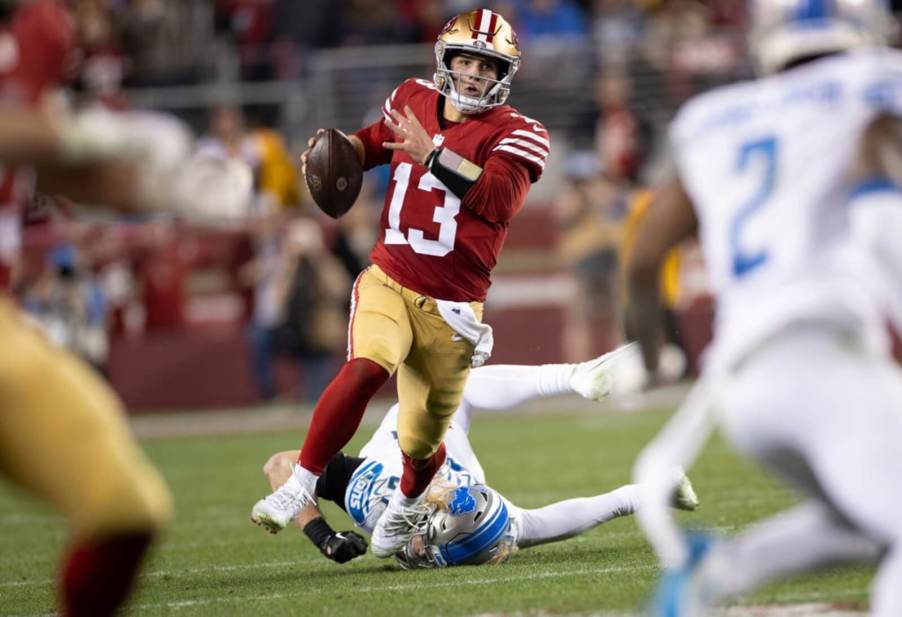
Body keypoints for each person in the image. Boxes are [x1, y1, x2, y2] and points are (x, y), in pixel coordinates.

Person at [625, 1, 902, 615]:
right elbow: (881, 177)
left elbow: (644, 259)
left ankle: (713, 576)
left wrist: (652, 360)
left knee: (861, 516)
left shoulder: (715, 118)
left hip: (743, 390)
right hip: (824, 359)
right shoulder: (876, 83)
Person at [252, 8, 553, 559]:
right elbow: (368, 146)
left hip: (453, 309)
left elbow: (498, 199)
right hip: (390, 277)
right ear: (446, 61)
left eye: (486, 66)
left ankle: (408, 506)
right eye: (464, 61)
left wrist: (433, 155)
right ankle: (301, 481)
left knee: (420, 444)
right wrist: (332, 154)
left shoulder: (520, 133)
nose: (473, 74)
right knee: (369, 364)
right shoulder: (412, 99)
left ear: (503, 74)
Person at [0, 3, 250, 615]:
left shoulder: (40, 27)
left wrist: (161, 186)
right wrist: (91, 133)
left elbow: (43, 162)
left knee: (122, 506)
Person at [260, 344, 699, 566]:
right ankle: (572, 376)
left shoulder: (369, 499)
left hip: (438, 453)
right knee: (455, 390)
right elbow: (280, 465)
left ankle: (575, 377)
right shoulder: (376, 491)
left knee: (458, 390)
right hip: (425, 428)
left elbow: (279, 466)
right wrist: (323, 535)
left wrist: (326, 537)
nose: (497, 552)